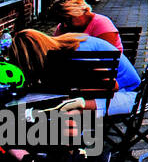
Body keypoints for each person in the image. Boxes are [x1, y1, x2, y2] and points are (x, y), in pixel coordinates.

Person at [9, 30, 140, 118]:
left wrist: (74, 94)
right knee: (63, 106)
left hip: (129, 96)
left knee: (66, 109)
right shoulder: (64, 45)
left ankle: (73, 153)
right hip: (117, 95)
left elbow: (112, 87)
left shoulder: (75, 54)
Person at [49, 0, 124, 51]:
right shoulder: (63, 26)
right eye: (62, 21)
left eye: (69, 19)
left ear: (81, 12)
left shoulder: (101, 23)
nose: (65, 25)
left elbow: (106, 57)